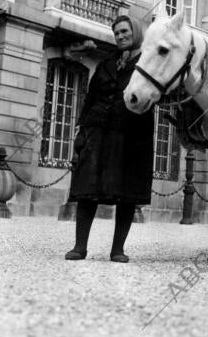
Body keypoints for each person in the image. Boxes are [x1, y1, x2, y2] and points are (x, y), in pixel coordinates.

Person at [65, 15, 154, 263]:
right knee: (86, 190)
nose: (120, 36)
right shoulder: (107, 62)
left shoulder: (148, 62)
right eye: (116, 33)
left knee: (126, 193)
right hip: (97, 132)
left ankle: (117, 250)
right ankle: (79, 247)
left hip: (131, 135)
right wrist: (82, 127)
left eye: (125, 31)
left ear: (135, 32)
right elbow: (91, 96)